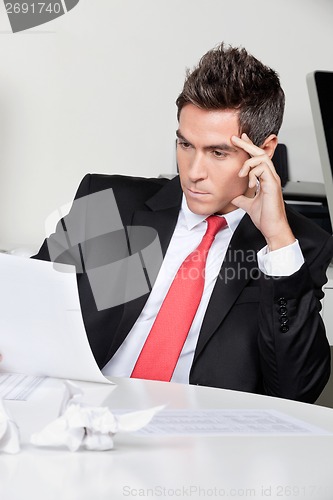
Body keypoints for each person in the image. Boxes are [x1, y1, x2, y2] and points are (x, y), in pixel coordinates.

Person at [33, 42, 333, 403]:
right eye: (185, 145)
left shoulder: (299, 246)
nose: (193, 172)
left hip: (199, 442)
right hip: (81, 416)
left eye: (218, 153)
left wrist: (278, 241)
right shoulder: (111, 201)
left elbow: (295, 391)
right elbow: (23, 310)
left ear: (264, 151)